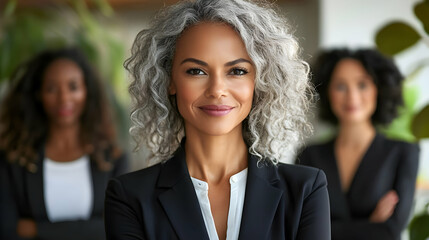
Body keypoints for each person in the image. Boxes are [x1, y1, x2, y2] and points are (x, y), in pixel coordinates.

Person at [104, 0, 331, 240]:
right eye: (196, 71)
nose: (217, 89)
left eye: (237, 71)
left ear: (260, 82)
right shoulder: (129, 196)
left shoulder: (305, 190)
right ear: (169, 80)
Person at [0, 48, 128, 240]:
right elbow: (7, 231)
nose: (64, 98)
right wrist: (92, 227)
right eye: (51, 89)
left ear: (87, 91)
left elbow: (120, 230)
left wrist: (35, 229)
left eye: (73, 87)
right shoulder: (13, 159)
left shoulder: (113, 159)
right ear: (38, 94)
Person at [296, 49, 420, 240]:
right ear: (327, 92)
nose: (352, 96)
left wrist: (330, 229)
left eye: (362, 85)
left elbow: (391, 231)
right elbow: (299, 229)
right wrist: (369, 226)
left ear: (379, 89)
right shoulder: (309, 155)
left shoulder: (404, 152)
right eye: (340, 86)